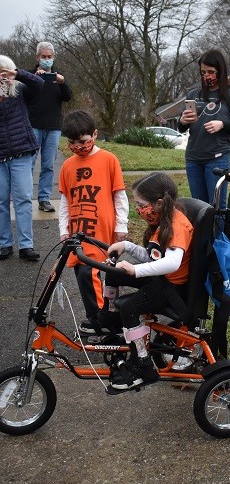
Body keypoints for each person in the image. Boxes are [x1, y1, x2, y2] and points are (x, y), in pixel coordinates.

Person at [104, 172, 193, 390]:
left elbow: (171, 263)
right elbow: (154, 256)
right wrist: (128, 247)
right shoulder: (164, 220)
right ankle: (110, 322)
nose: (139, 209)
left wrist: (134, 270)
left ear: (159, 203)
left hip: (171, 288)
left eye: (141, 204)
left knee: (128, 306)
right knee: (114, 272)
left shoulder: (177, 225)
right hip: (161, 279)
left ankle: (142, 364)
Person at [58, 110, 129, 335]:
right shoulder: (67, 166)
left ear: (94, 135)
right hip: (77, 233)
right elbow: (65, 201)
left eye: (83, 141)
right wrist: (63, 230)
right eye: (72, 143)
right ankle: (98, 318)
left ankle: (102, 319)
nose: (78, 146)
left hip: (101, 231)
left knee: (92, 273)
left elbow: (120, 195)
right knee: (83, 273)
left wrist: (121, 225)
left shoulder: (108, 159)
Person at [178, 49, 230, 211]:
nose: (207, 76)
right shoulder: (194, 94)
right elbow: (182, 128)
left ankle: (218, 237)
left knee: (216, 206)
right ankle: (203, 237)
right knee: (198, 206)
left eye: (211, 72)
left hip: (217, 158)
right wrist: (182, 120)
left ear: (220, 71)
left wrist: (223, 125)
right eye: (203, 72)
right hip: (193, 158)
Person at [0, 55, 43, 261]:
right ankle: (4, 244)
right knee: (0, 201)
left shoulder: (20, 91)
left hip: (21, 153)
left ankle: (26, 246)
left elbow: (39, 84)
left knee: (23, 200)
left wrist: (16, 75)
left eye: (3, 72)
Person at [27, 42, 72, 213]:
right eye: (43, 57)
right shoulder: (30, 76)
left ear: (53, 57)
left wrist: (62, 82)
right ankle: (25, 197)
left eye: (49, 57)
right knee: (28, 163)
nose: (47, 60)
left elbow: (68, 97)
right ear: (37, 58)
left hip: (53, 127)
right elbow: (23, 96)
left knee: (48, 165)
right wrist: (35, 80)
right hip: (33, 126)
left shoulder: (58, 77)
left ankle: (44, 198)